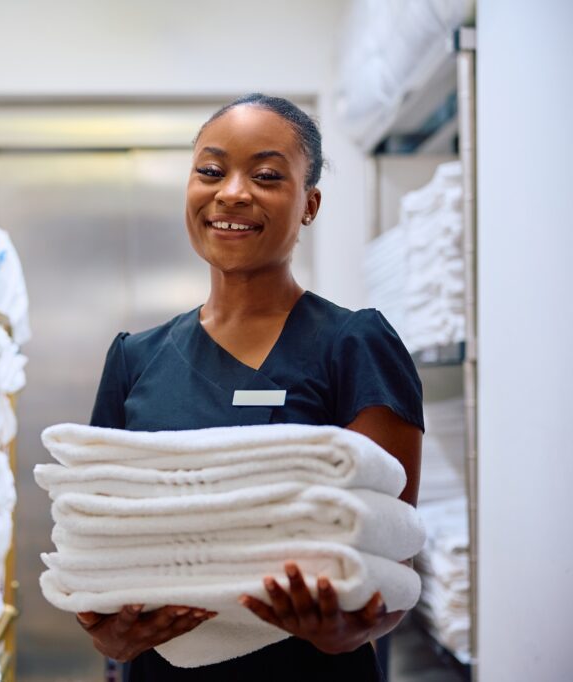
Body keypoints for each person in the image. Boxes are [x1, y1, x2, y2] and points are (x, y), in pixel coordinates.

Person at [74, 94, 424, 681]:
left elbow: (391, 549)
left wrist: (350, 630)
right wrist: (107, 633)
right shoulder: (135, 357)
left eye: (265, 176)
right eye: (210, 171)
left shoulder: (354, 344)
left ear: (309, 204)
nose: (232, 192)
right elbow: (100, 540)